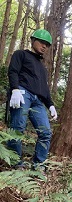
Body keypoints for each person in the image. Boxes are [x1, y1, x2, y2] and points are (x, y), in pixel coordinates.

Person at [7, 29, 58, 171]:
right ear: (33, 40)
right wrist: (15, 89)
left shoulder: (42, 68)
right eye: (42, 42)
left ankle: (39, 165)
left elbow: (45, 88)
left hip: (38, 101)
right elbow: (13, 71)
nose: (44, 47)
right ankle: (15, 162)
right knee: (18, 128)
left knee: (46, 132)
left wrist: (51, 105)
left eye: (47, 45)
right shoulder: (21, 54)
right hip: (22, 93)